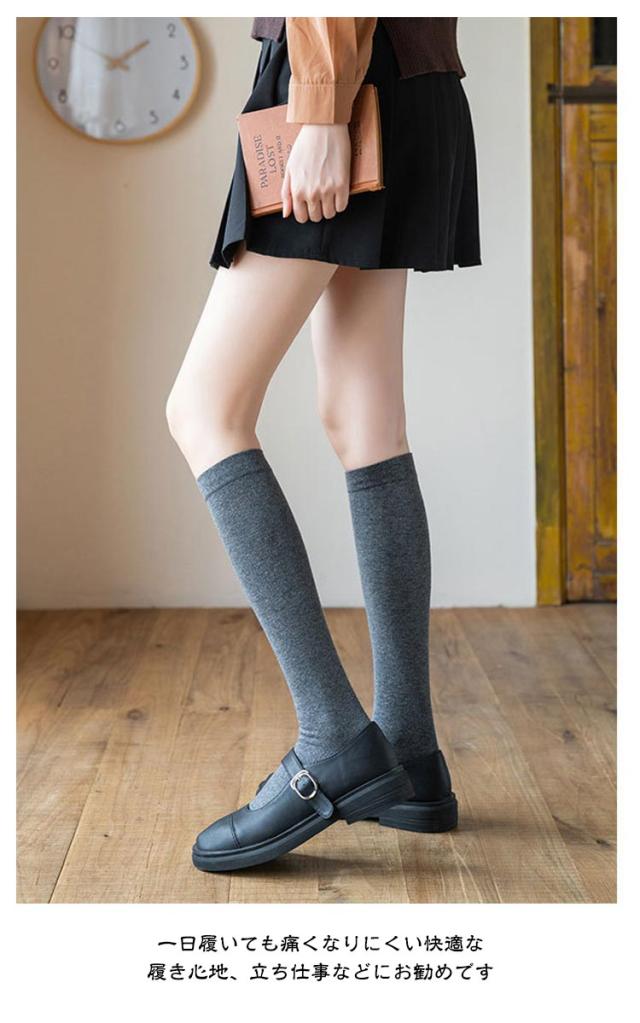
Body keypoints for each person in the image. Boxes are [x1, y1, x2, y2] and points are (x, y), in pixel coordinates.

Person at [166, 16, 481, 873]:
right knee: (363, 418)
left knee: (204, 410)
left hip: (339, 84)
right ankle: (408, 751)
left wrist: (318, 111)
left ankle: (333, 737)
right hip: (403, 82)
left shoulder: (328, 95)